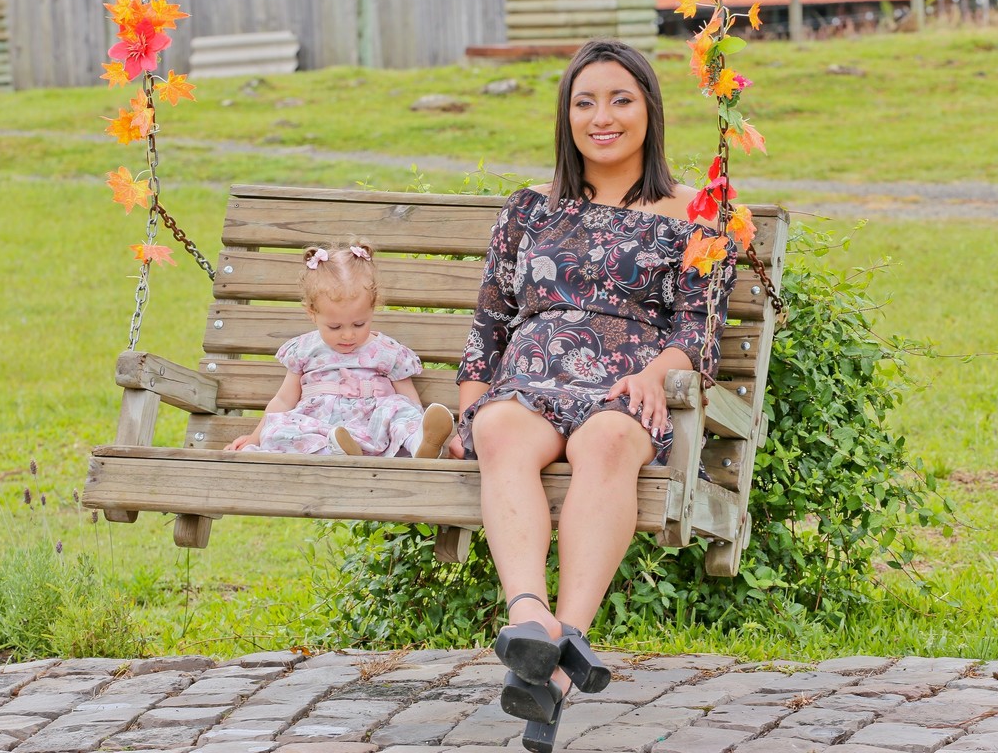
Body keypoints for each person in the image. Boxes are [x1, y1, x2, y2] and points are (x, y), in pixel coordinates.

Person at [449, 39, 737, 752]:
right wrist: (469, 409)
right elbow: (489, 326)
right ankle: (532, 619)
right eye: (584, 102)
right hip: (530, 378)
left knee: (608, 441)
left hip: (626, 384)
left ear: (650, 110)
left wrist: (654, 375)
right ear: (566, 116)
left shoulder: (698, 214)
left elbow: (699, 332)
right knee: (498, 430)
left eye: (619, 100)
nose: (601, 117)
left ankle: (562, 646)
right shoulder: (529, 209)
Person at [225, 242, 455, 459]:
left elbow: (410, 401)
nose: (348, 335)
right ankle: (334, 451)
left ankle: (419, 443)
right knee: (279, 428)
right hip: (321, 429)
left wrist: (415, 423)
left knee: (398, 407)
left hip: (374, 429)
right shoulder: (304, 349)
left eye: (359, 324)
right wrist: (254, 439)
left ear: (373, 308)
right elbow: (284, 401)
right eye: (335, 327)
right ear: (312, 313)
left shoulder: (388, 351)